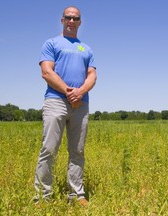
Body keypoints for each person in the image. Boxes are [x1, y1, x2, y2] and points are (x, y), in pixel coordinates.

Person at [34, 6, 97, 207]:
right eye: (68, 17)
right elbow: (46, 72)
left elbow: (92, 75)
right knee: (49, 149)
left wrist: (81, 92)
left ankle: (76, 195)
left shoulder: (86, 48)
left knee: (77, 151)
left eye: (75, 18)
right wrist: (70, 92)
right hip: (55, 101)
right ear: (62, 20)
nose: (71, 21)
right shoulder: (51, 43)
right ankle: (43, 196)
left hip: (81, 104)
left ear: (80, 22)